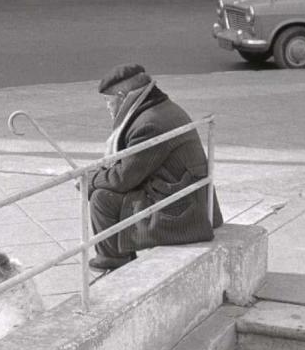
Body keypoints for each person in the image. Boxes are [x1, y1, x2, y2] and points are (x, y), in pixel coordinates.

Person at [85, 63, 223, 271]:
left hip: (183, 211)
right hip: (190, 197)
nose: (107, 106)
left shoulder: (149, 124)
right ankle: (117, 256)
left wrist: (90, 179)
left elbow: (123, 179)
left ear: (122, 97)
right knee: (107, 188)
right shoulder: (159, 108)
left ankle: (113, 261)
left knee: (102, 198)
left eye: (108, 100)